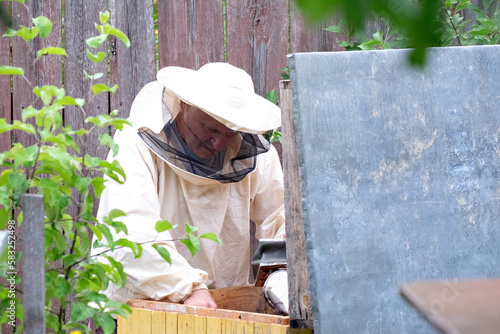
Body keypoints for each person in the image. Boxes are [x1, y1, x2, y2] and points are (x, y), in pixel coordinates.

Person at [93, 62, 286, 308]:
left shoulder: (254, 154)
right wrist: (185, 287)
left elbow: (279, 216)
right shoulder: (135, 142)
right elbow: (130, 231)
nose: (218, 143)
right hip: (141, 307)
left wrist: (287, 245)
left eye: (230, 133)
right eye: (210, 128)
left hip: (221, 305)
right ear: (184, 105)